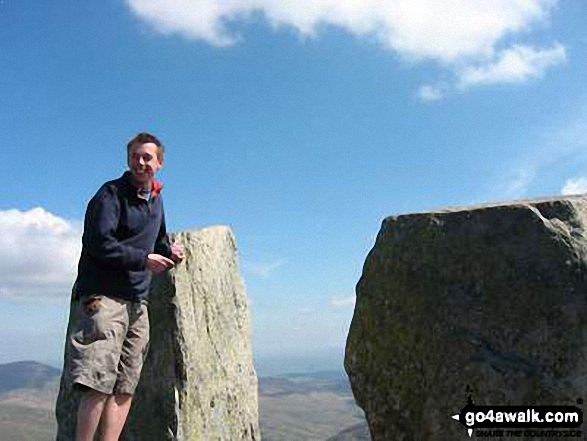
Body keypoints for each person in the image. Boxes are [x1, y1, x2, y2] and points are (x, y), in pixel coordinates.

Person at [66, 132, 185, 441]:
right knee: (97, 381)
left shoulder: (156, 201)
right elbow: (98, 243)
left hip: (137, 301)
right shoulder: (111, 194)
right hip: (103, 297)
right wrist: (143, 260)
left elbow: (159, 241)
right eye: (135, 156)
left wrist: (170, 252)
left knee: (125, 385)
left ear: (159, 163)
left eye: (147, 157)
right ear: (128, 159)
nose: (140, 162)